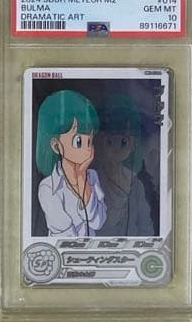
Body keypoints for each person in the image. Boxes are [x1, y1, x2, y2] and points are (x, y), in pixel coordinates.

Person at [34, 90, 106, 237]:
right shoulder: (48, 188)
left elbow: (98, 222)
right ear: (56, 146)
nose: (87, 148)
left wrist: (81, 179)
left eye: (89, 141)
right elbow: (66, 236)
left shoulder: (91, 177)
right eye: (78, 141)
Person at [94, 93, 156, 237]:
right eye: (110, 141)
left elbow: (146, 227)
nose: (116, 148)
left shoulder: (136, 186)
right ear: (101, 139)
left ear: (133, 144)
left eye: (123, 142)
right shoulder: (93, 182)